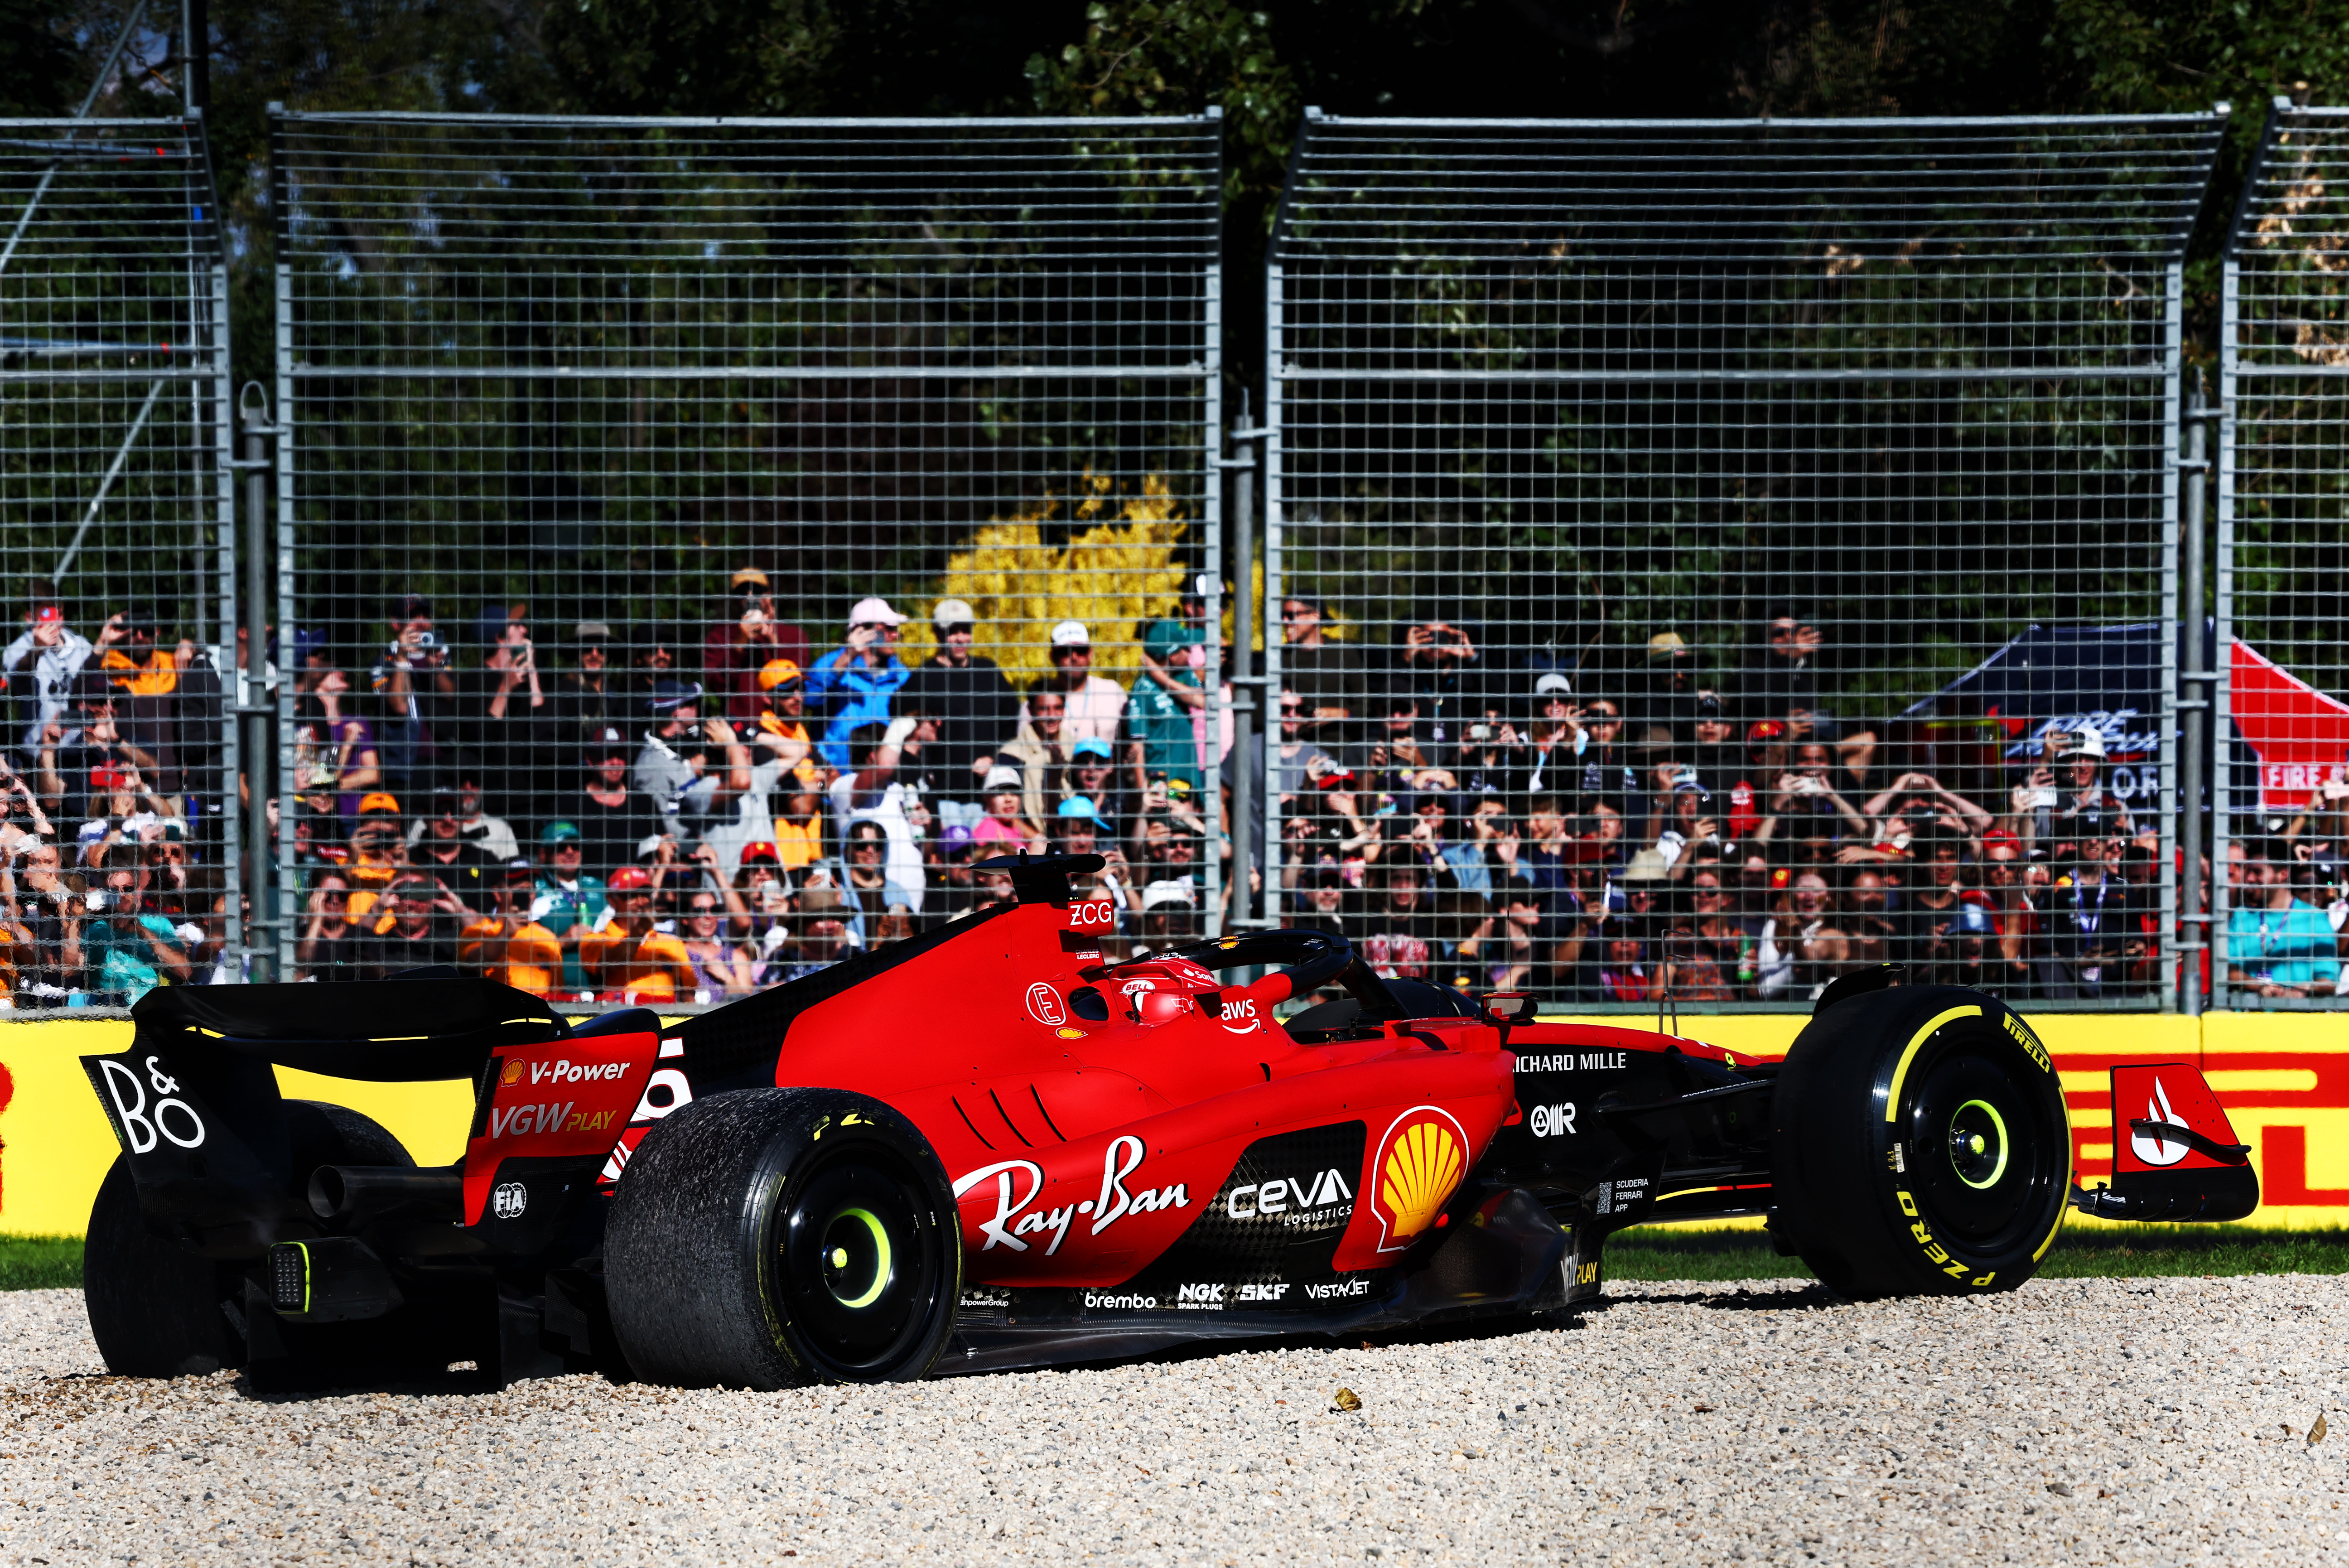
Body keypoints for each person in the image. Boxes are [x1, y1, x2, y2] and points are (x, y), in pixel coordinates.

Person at [898, 598, 1018, 804]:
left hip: (989, 797)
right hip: (941, 798)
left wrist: (993, 757)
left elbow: (1013, 726)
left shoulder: (989, 673)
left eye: (966, 630)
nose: (961, 639)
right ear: (937, 633)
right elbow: (904, 735)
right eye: (953, 632)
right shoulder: (921, 680)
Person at [634, 681, 753, 847]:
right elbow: (659, 823)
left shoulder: (683, 744)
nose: (697, 706)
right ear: (677, 713)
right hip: (679, 858)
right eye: (690, 703)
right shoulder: (652, 765)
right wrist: (693, 845)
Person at [826, 720, 926, 911]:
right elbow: (885, 766)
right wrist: (900, 727)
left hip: (911, 905)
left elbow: (923, 851)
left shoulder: (899, 791)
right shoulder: (844, 787)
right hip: (871, 903)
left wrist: (924, 823)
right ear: (873, 756)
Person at [806, 597, 912, 770]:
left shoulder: (902, 675)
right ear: (865, 631)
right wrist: (848, 657)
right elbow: (810, 699)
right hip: (837, 780)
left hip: (884, 781)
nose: (896, 635)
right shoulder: (831, 663)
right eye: (890, 628)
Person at [2225, 842, 2339, 998]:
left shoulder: (2315, 919)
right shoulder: (2241, 916)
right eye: (2248, 871)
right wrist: (2260, 987)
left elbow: (2328, 981)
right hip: (2249, 1017)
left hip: (2296, 1018)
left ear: (2283, 875)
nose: (2250, 878)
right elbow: (2228, 969)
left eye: (2258, 872)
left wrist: (2301, 991)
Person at [369, 594, 457, 788]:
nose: (421, 623)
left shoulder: (441, 654)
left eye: (426, 615)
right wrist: (402, 657)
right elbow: (400, 706)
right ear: (395, 624)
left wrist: (436, 668)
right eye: (413, 616)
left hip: (445, 760)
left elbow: (453, 698)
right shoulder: (383, 662)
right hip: (405, 766)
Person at [703, 567, 810, 725]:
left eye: (757, 591)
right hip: (741, 731)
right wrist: (740, 642)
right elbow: (718, 687)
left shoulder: (794, 636)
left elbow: (797, 682)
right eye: (743, 592)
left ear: (769, 595)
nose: (750, 597)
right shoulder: (719, 637)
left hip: (785, 730)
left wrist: (773, 639)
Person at [76, 864, 194, 1004]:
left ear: (137, 892)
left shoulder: (158, 926)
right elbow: (73, 970)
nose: (122, 895)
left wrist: (143, 932)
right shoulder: (97, 932)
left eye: (128, 889)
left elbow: (186, 972)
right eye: (114, 891)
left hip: (152, 1007)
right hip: (111, 1011)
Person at [579, 865, 699, 1003]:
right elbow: (611, 964)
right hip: (620, 1020)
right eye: (632, 896)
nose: (641, 902)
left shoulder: (672, 943)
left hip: (668, 1021)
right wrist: (641, 929)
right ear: (612, 900)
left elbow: (688, 995)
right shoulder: (593, 940)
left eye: (645, 895)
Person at [458, 858, 564, 996]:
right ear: (497, 893)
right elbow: (474, 962)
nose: (526, 895)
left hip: (539, 1014)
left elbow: (557, 993)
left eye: (529, 889)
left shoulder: (548, 938)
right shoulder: (477, 931)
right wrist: (505, 934)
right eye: (518, 890)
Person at [3, 602, 92, 758]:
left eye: (60, 614)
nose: (55, 622)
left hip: (81, 751)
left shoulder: (82, 646)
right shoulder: (17, 650)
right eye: (47, 615)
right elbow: (19, 674)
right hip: (38, 755)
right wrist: (36, 651)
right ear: (30, 618)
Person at [531, 820, 610, 997]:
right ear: (544, 853)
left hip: (600, 994)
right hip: (553, 995)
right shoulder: (533, 891)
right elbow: (516, 951)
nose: (570, 851)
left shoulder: (600, 888)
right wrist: (561, 942)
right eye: (561, 847)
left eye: (575, 845)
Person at [1280, 590, 1369, 743]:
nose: (1285, 621)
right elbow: (1259, 714)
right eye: (1282, 616)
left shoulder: (1343, 653)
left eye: (1292, 615)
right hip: (1289, 752)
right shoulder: (1279, 658)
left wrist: (1337, 714)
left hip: (1338, 750)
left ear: (1315, 616)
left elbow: (1366, 710)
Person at [1038, 621, 1126, 749]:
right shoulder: (1040, 700)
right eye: (1065, 652)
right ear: (1052, 657)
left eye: (1081, 650)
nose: (1074, 657)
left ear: (1090, 653)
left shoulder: (1113, 692)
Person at [749, 660, 825, 794]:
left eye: (801, 688)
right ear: (768, 698)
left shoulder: (799, 729)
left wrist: (816, 785)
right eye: (788, 690)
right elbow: (798, 805)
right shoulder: (761, 736)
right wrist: (821, 784)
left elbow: (833, 774)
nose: (798, 697)